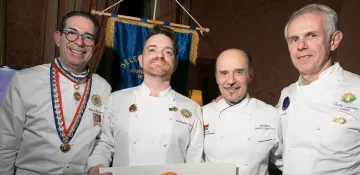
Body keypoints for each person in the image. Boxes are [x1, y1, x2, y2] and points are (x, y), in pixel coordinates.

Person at [0, 11, 111, 175]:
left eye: (88, 37)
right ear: (58, 38)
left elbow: (102, 140)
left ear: (95, 46)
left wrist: (96, 164)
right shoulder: (24, 81)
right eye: (72, 33)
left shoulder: (104, 88)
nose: (80, 42)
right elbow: (6, 141)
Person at [87, 25, 204, 174]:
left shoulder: (192, 109)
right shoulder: (116, 99)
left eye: (168, 52)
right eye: (152, 49)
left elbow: (195, 161)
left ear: (175, 65)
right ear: (141, 60)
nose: (159, 55)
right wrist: (97, 164)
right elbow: (105, 143)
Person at [277, 3, 360, 174]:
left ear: (334, 40)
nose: (301, 46)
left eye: (311, 35)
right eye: (294, 39)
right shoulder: (287, 94)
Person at [202, 49, 282, 175]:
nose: (231, 80)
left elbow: (287, 162)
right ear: (216, 78)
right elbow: (191, 162)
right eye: (224, 73)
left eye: (238, 72)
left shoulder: (271, 115)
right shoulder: (202, 114)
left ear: (250, 76)